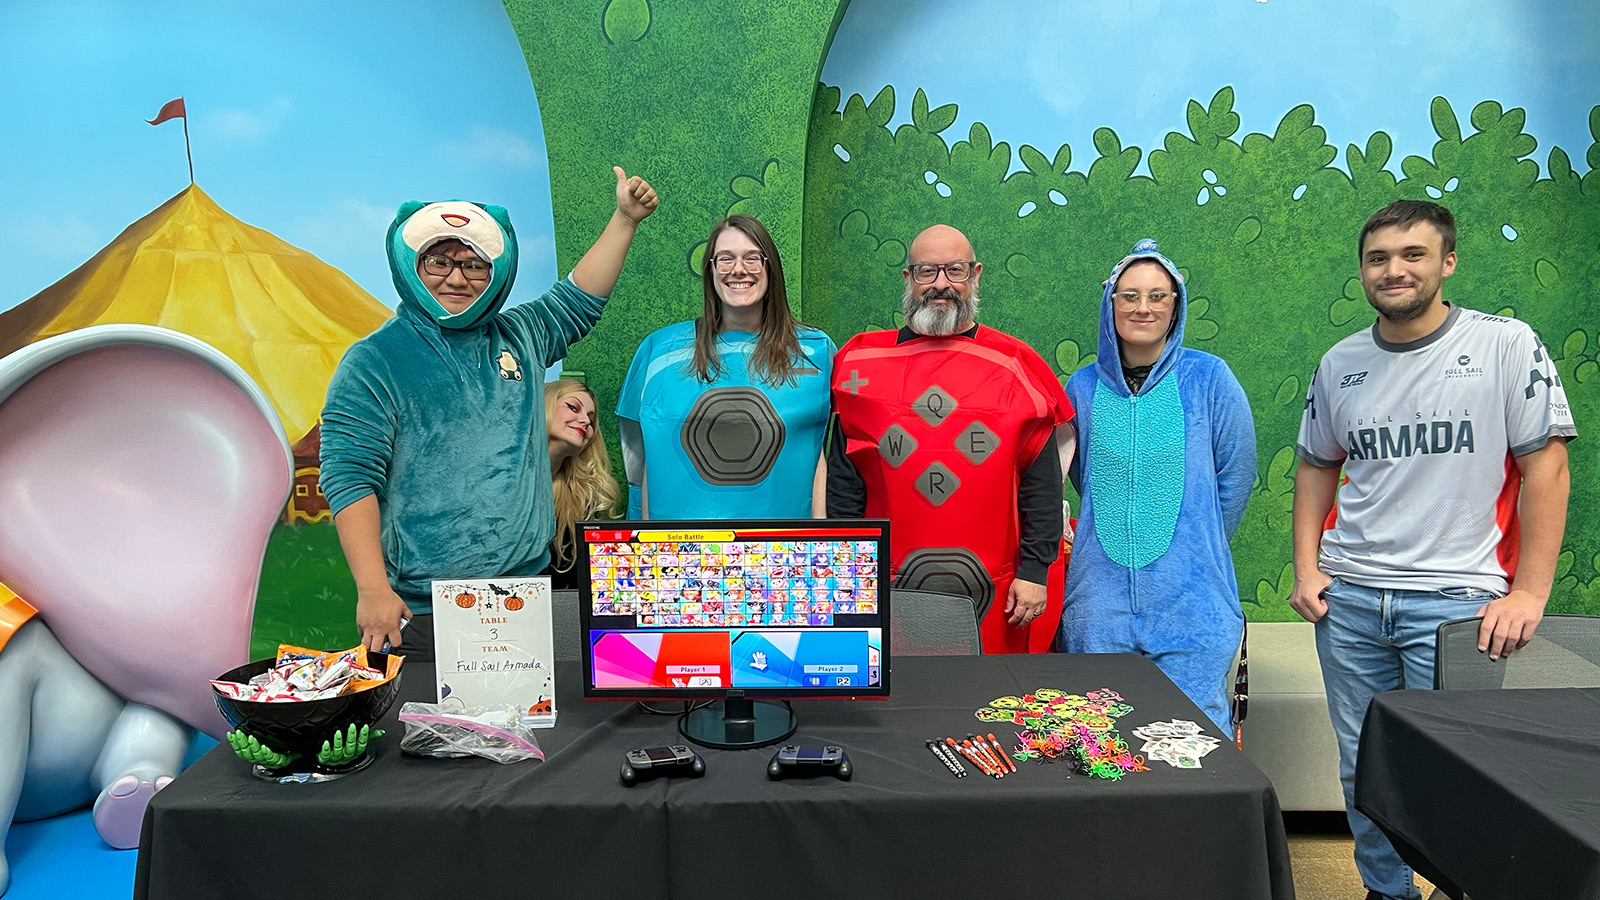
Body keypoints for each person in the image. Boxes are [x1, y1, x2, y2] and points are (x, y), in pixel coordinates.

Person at [1290, 200, 1574, 900]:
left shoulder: (1506, 345)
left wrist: (1530, 592)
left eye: (1413, 254)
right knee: (1363, 768)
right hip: (1350, 603)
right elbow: (1315, 465)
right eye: (1378, 258)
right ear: (1362, 271)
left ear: (1447, 262)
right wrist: (1307, 568)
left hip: (1456, 604)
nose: (1394, 270)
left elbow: (1548, 467)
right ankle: (1386, 893)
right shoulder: (1341, 362)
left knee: (1461, 773)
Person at [320, 167, 659, 661]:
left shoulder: (519, 336)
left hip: (525, 597)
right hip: (422, 611)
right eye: (438, 262)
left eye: (474, 264)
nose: (456, 277)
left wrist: (626, 220)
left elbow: (581, 299)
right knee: (432, 738)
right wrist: (373, 590)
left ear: (495, 273)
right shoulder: (374, 361)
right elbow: (350, 477)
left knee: (528, 735)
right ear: (409, 265)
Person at [827, 224, 1074, 653]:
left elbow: (1043, 483)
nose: (941, 284)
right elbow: (845, 483)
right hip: (885, 579)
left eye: (954, 270)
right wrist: (847, 572)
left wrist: (1035, 571)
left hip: (997, 587)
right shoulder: (860, 363)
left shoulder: (1016, 364)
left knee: (991, 703)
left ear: (975, 275)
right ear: (908, 279)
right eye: (926, 271)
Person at [1058, 239, 1256, 733]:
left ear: (1176, 304)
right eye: (1129, 296)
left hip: (1192, 602)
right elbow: (1082, 479)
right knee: (1097, 740)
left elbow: (1235, 476)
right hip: (1097, 606)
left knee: (1193, 742)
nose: (1142, 307)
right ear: (1110, 303)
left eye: (1157, 296)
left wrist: (1194, 546)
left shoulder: (1210, 379)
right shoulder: (1081, 389)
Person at [617, 214, 835, 518]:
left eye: (752, 258)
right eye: (725, 258)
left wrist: (821, 541)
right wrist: (642, 545)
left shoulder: (816, 350)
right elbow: (640, 464)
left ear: (770, 266)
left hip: (784, 554)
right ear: (711, 269)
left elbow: (820, 458)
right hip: (680, 554)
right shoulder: (658, 350)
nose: (738, 269)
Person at [546, 377, 620, 589]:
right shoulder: (501, 480)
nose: (585, 421)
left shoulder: (583, 498)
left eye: (591, 418)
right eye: (573, 407)